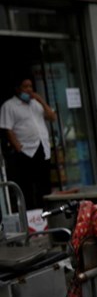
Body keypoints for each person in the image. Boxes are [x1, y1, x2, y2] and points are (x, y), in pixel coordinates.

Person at [0, 78, 56, 210]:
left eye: (30, 86)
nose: (29, 90)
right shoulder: (9, 106)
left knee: (44, 184)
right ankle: (32, 215)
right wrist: (18, 147)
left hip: (42, 147)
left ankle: (47, 211)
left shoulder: (36, 104)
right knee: (28, 186)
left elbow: (52, 117)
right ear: (18, 89)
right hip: (26, 151)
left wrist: (41, 100)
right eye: (25, 87)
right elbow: (8, 129)